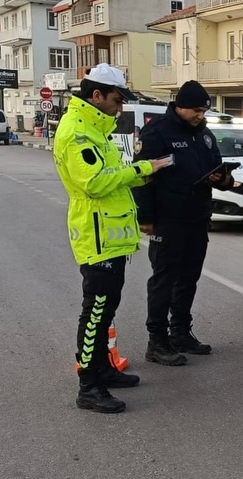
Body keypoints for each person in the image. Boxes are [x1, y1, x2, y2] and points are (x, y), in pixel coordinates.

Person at [54, 63, 168, 413]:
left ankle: (103, 367)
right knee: (96, 312)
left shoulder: (97, 127)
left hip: (110, 235)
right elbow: (94, 183)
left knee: (107, 309)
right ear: (97, 95)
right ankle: (88, 386)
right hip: (96, 236)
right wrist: (144, 169)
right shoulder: (77, 132)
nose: (121, 106)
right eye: (118, 99)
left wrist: (140, 176)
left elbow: (111, 174)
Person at [133, 80, 234, 366]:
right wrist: (146, 217)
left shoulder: (204, 135)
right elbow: (141, 178)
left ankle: (180, 332)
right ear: (181, 106)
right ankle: (157, 341)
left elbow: (219, 170)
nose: (201, 116)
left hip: (197, 217)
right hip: (168, 218)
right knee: (164, 279)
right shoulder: (157, 132)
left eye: (204, 111)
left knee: (189, 278)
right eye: (197, 110)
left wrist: (222, 178)